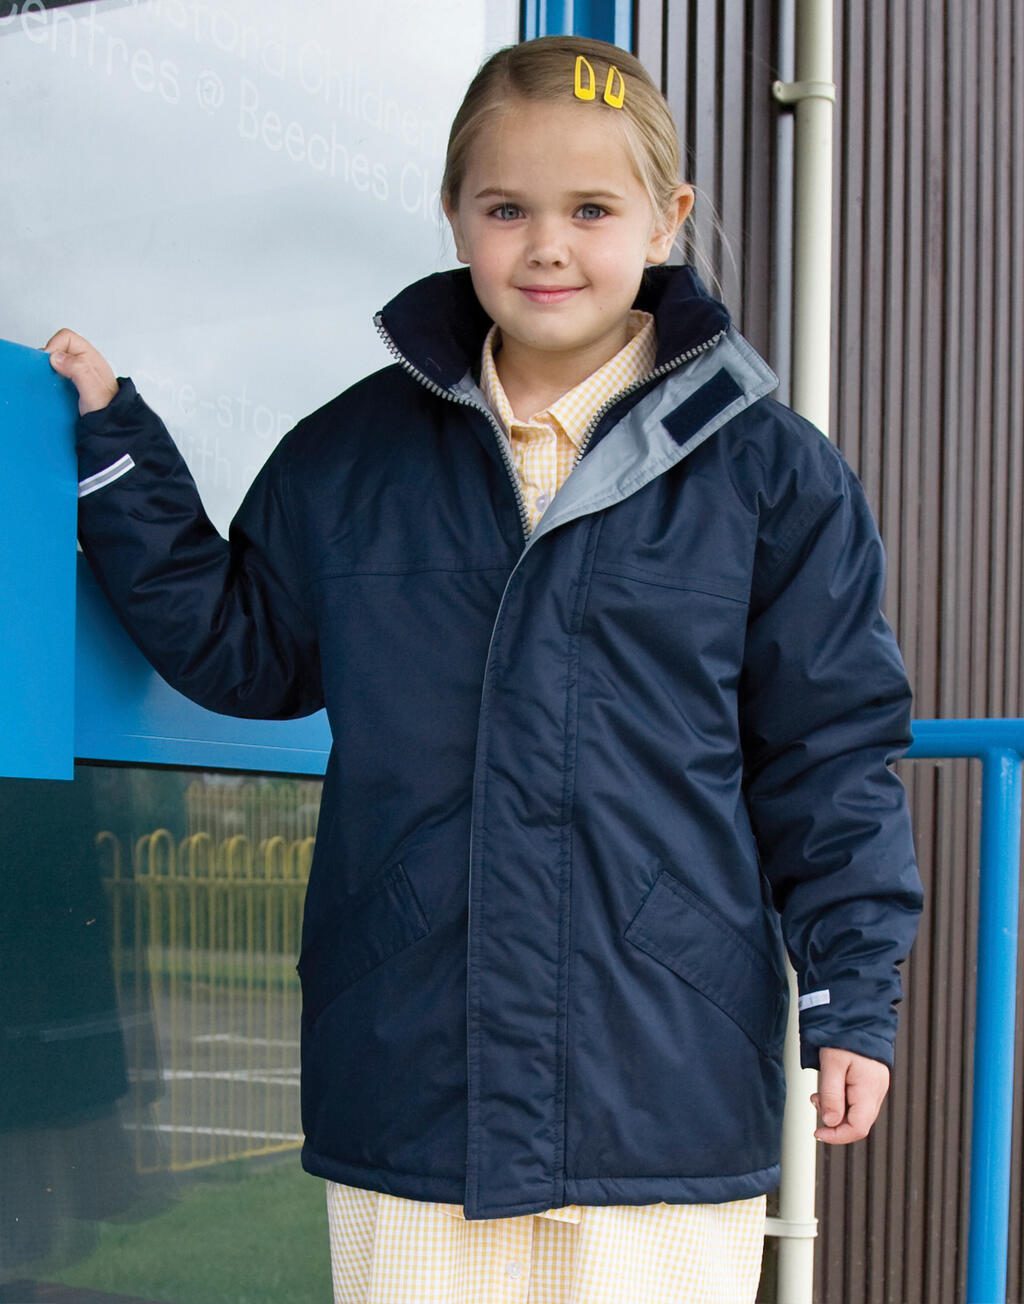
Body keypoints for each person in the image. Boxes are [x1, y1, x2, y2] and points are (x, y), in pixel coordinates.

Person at [44, 33, 923, 1304]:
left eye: (590, 209)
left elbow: (828, 756)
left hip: (663, 1070)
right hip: (416, 1061)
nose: (546, 245)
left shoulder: (768, 472)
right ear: (454, 214)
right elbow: (245, 649)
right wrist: (122, 459)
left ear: (666, 218)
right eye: (506, 208)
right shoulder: (352, 456)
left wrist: (852, 996)